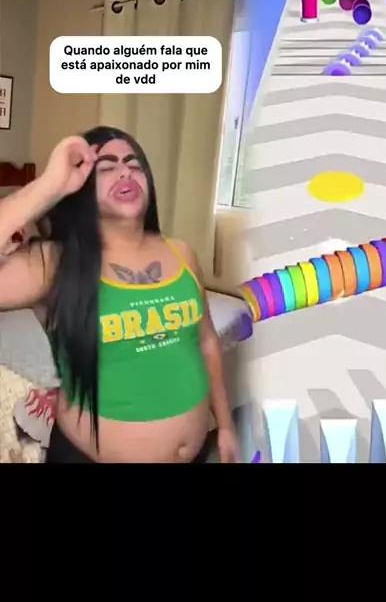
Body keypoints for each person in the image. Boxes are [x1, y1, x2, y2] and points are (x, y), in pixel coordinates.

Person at [0, 126, 241, 463]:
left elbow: (206, 341)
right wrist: (49, 186)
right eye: (107, 167)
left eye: (134, 164)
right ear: (80, 186)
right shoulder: (55, 262)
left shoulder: (182, 252)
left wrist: (226, 426)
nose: (125, 171)